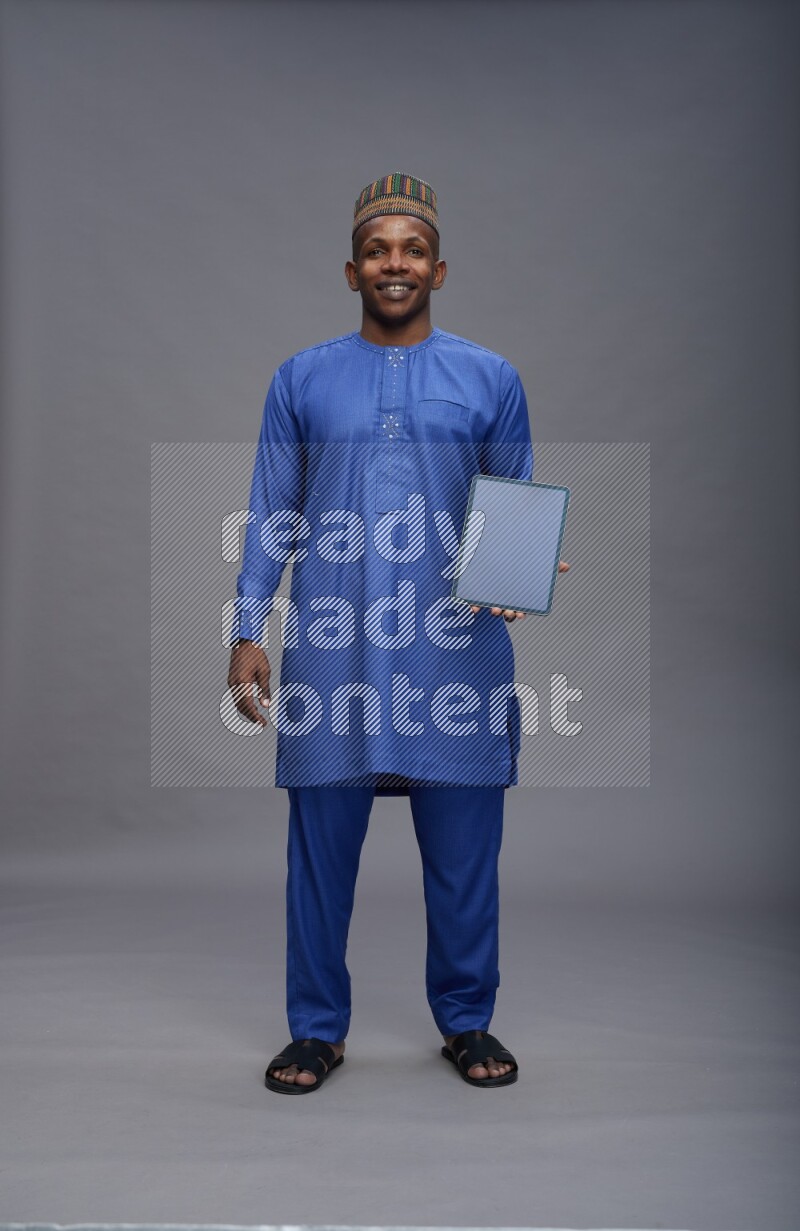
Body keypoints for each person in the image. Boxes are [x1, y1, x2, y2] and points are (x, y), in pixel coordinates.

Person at [227, 173, 568, 1094]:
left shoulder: (490, 377)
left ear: (439, 270)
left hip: (452, 651)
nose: (395, 264)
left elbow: (514, 497)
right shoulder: (301, 378)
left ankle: (466, 1018)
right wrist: (247, 626)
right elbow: (272, 509)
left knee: (464, 854)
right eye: (377, 250)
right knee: (319, 851)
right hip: (334, 648)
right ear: (351, 270)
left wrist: (519, 569)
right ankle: (316, 1029)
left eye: (413, 250)